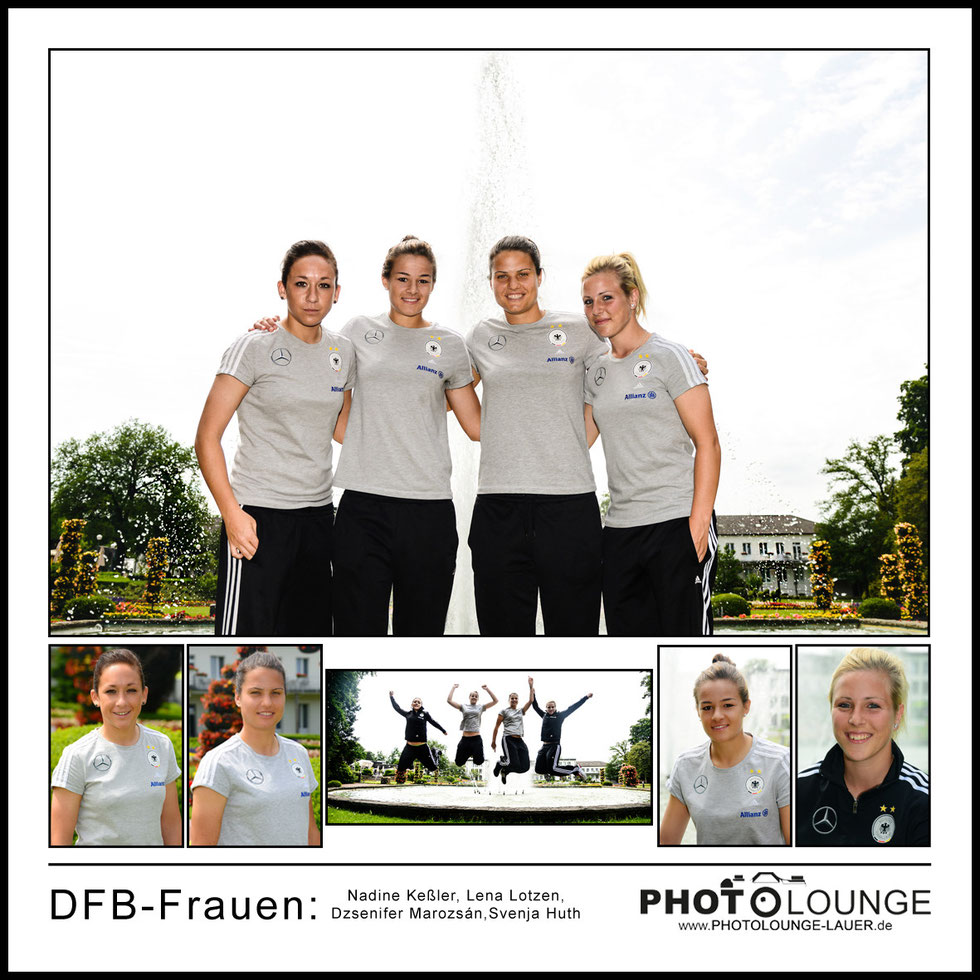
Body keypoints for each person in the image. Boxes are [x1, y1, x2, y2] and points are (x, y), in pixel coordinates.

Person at [251, 235, 480, 635]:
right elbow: (315, 362)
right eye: (403, 278)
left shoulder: (450, 346)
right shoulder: (356, 333)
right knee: (356, 633)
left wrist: (523, 375)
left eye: (423, 280)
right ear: (385, 280)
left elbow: (476, 426)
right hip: (363, 510)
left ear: (432, 284)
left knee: (421, 637)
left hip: (428, 511)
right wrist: (269, 331)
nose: (412, 289)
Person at [195, 239, 354, 635]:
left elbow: (344, 429)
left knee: (310, 645)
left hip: (319, 520)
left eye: (324, 285)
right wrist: (232, 514)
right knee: (242, 652)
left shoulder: (344, 352)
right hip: (258, 518)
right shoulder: (254, 346)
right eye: (302, 284)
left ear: (337, 291)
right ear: (282, 288)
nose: (313, 296)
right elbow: (206, 438)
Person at [466, 237, 608, 636]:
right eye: (502, 276)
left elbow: (619, 372)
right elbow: (439, 385)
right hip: (498, 508)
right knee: (503, 639)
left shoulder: (579, 330)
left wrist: (681, 356)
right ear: (491, 282)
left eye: (523, 274)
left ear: (540, 277)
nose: (513, 284)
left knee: (574, 635)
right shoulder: (480, 336)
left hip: (568, 507)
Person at [582, 253, 721, 636]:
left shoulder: (670, 356)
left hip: (676, 522)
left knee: (686, 649)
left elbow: (708, 443)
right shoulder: (596, 370)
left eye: (607, 298)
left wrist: (696, 526)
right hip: (619, 532)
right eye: (589, 302)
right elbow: (579, 440)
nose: (597, 309)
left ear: (633, 297)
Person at [797, 648, 929, 846]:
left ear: (898, 714)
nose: (855, 719)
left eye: (873, 706)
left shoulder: (924, 801)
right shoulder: (798, 790)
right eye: (844, 705)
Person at [51, 649, 181, 846]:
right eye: (111, 691)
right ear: (95, 697)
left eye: (131, 690)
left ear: (144, 695)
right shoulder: (77, 755)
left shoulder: (162, 745)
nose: (122, 702)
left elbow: (171, 824)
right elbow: (59, 842)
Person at [190, 652, 319, 846]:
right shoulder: (219, 762)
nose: (267, 702)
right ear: (238, 698)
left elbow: (310, 832)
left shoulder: (298, 754)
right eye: (256, 692)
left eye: (276, 693)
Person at [660, 654, 790, 845]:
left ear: (746, 707)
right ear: (697, 710)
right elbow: (666, 843)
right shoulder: (686, 766)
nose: (717, 716)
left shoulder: (779, 762)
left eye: (728, 705)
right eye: (707, 707)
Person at [531, 688, 593, 780]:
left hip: (554, 746)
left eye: (552, 707)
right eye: (549, 707)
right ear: (546, 708)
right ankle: (547, 772)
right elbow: (535, 706)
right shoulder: (544, 715)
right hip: (544, 746)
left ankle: (575, 769)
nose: (551, 709)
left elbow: (573, 707)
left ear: (555, 707)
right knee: (538, 769)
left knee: (553, 768)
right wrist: (532, 692)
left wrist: (586, 697)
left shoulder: (560, 716)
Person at [390, 691, 448, 779]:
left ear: (421, 704)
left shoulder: (425, 714)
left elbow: (433, 722)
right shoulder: (408, 714)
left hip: (422, 747)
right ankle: (400, 780)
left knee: (433, 768)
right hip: (409, 747)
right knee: (401, 767)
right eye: (415, 702)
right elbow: (397, 708)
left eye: (418, 702)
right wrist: (391, 697)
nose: (416, 703)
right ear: (412, 704)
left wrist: (443, 730)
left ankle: (435, 753)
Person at [490, 677, 535, 784]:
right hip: (508, 739)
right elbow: (496, 727)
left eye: (516, 698)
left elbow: (531, 701)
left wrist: (531, 686)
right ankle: (500, 764)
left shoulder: (520, 711)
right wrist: (493, 742)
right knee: (511, 761)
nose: (514, 700)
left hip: (519, 740)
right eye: (512, 698)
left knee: (525, 767)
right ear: (509, 699)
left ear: (518, 700)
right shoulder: (503, 711)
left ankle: (505, 771)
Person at [447, 683, 499, 769]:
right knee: (458, 763)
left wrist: (487, 689)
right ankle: (469, 752)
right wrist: (453, 688)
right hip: (465, 739)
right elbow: (449, 700)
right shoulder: (463, 706)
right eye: (472, 696)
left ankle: (473, 752)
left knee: (479, 762)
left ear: (478, 698)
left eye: (476, 696)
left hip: (476, 739)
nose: (474, 697)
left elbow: (495, 701)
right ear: (469, 697)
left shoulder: (481, 707)